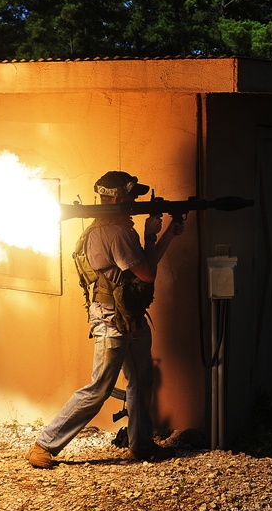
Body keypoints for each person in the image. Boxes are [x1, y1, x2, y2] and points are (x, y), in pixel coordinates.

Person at [27, 171, 185, 468]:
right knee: (99, 388)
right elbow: (148, 274)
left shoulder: (108, 229)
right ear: (114, 198)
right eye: (129, 196)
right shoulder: (117, 233)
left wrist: (165, 235)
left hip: (128, 316)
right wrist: (150, 236)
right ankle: (44, 444)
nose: (134, 200)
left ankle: (141, 444)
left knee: (141, 380)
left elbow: (143, 267)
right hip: (113, 321)